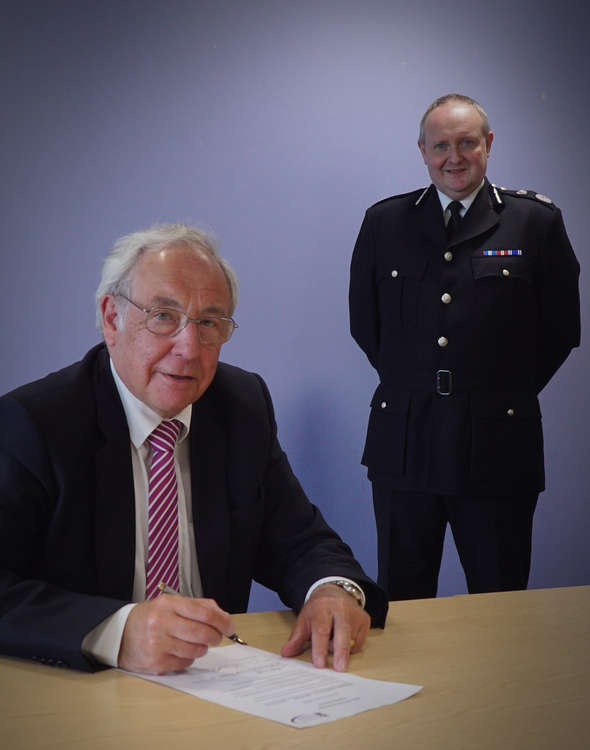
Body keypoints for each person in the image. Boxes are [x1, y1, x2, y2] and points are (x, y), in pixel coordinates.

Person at [0, 223, 387, 674]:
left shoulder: (240, 406)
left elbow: (298, 539)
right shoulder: (35, 423)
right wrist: (117, 631)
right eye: (163, 316)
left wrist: (332, 590)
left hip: (215, 679)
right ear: (111, 319)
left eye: (208, 322)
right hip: (81, 689)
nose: (188, 347)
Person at [349, 93, 580, 601]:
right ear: (423, 150)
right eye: (441, 146)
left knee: (500, 603)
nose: (454, 157)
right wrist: (418, 381)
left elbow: (562, 330)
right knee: (403, 604)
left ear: (488, 144)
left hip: (498, 445)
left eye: (467, 143)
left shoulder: (535, 223)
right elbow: (366, 325)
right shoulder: (385, 223)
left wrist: (499, 388)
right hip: (406, 443)